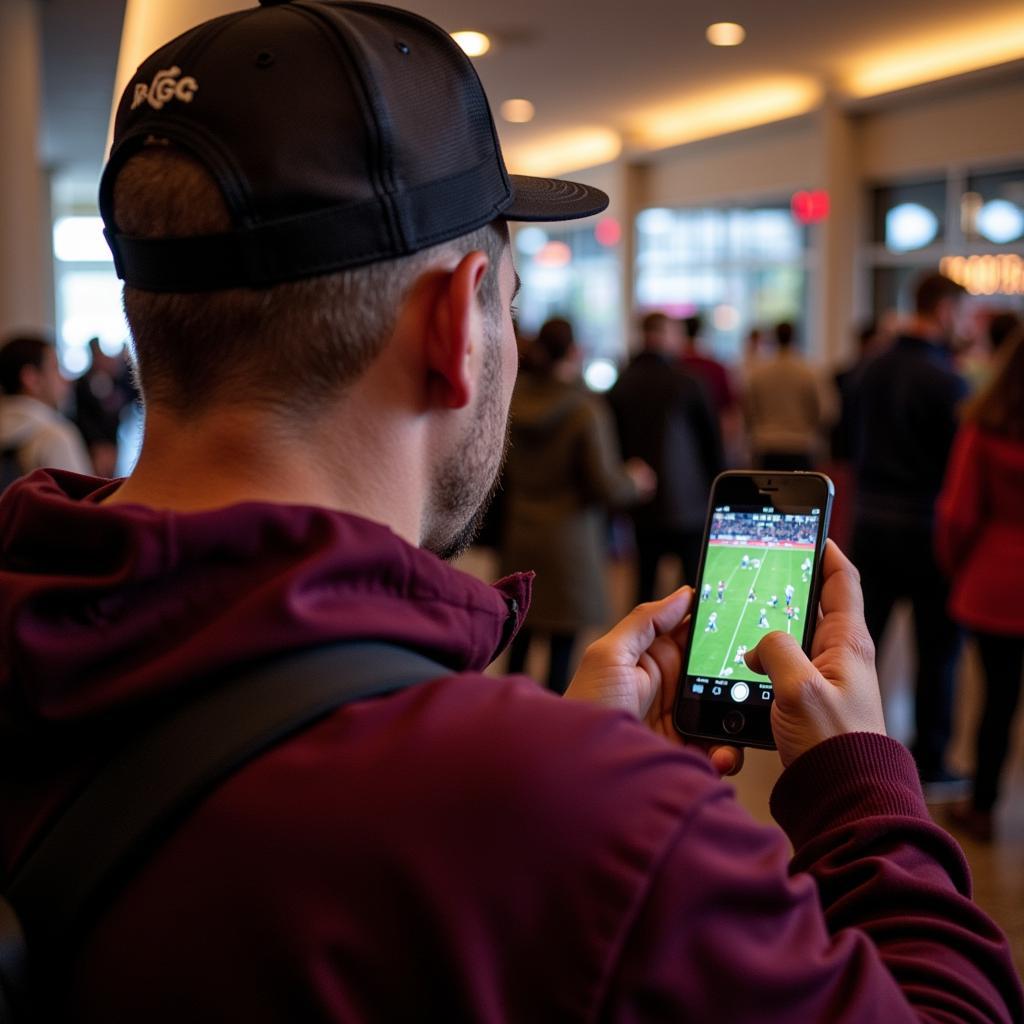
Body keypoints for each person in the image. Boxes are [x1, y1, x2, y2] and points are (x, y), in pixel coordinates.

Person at [0, 4, 1019, 1021]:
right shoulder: (570, 821)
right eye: (512, 301)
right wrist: (856, 791)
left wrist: (561, 777)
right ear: (458, 322)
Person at [848, 272, 970, 792]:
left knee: (859, 643)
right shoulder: (947, 381)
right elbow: (956, 466)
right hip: (925, 529)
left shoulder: (867, 370)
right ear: (944, 310)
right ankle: (931, 763)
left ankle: (852, 747)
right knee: (937, 652)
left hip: (871, 523)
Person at [498, 317, 654, 693]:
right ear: (574, 352)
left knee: (517, 638)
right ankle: (551, 733)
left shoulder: (511, 401)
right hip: (570, 542)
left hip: (520, 532)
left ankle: (506, 725)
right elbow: (606, 485)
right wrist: (635, 480)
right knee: (562, 650)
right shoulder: (585, 410)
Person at [936, 326, 1024, 841]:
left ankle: (984, 806)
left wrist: (957, 567)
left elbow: (957, 515)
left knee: (996, 700)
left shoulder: (984, 426)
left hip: (997, 582)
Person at [608, 312, 723, 601]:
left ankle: (640, 641)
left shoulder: (622, 383)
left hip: (642, 499)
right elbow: (712, 443)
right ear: (669, 336)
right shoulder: (688, 381)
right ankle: (690, 642)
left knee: (644, 582)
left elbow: (613, 444)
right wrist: (718, 489)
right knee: (693, 586)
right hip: (690, 501)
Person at [0, 334, 92, 486]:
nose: (66, 379)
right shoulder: (55, 436)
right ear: (31, 378)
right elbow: (81, 505)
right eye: (56, 367)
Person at [743, 321, 829, 471]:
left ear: (775, 338)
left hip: (767, 445)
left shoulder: (759, 373)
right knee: (801, 493)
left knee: (766, 493)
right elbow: (824, 412)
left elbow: (749, 410)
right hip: (800, 445)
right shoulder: (808, 371)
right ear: (795, 337)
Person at [73, 337, 137, 477]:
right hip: (94, 445)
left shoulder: (115, 380)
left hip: (113, 441)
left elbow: (133, 394)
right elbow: (82, 417)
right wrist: (96, 444)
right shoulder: (81, 384)